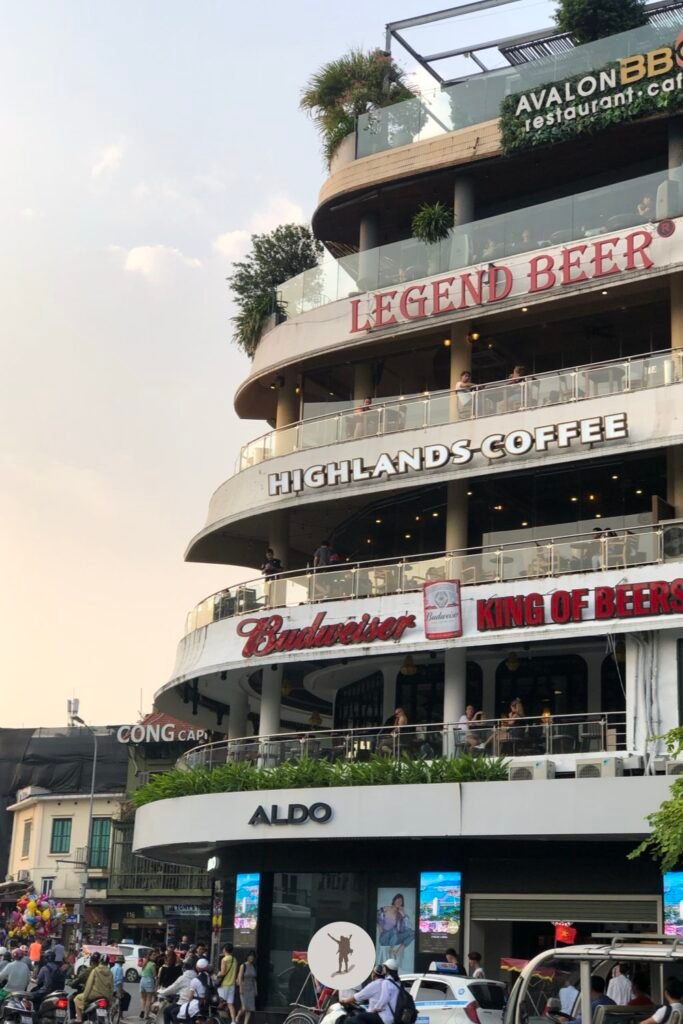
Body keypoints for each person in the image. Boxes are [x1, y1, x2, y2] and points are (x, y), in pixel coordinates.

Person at [340, 957, 401, 1024]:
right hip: (394, 1016)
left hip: (384, 1017)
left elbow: (384, 998)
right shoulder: (397, 983)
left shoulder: (384, 983)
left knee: (350, 1021)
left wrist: (376, 1008)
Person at [74, 953, 113, 1023]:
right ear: (108, 962)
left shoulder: (95, 970)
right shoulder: (110, 973)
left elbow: (89, 985)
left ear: (100, 961)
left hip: (94, 995)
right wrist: (110, 1001)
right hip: (105, 997)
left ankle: (79, 1018)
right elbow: (111, 988)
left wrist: (85, 999)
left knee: (77, 999)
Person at [158, 955, 197, 1024]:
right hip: (195, 1004)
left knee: (167, 1011)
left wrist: (161, 992)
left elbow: (172, 988)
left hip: (184, 1003)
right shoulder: (197, 976)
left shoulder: (184, 978)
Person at [377, 894, 414, 966]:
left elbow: (408, 927)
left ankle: (398, 951)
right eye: (398, 900)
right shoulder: (385, 909)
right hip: (384, 938)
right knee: (394, 930)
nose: (399, 902)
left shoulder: (400, 915)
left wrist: (403, 913)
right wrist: (381, 931)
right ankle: (391, 951)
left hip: (394, 938)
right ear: (394, 901)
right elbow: (377, 920)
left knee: (412, 932)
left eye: (401, 901)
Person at [177, 958, 211, 1023]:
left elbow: (190, 997)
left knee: (178, 1012)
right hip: (209, 1003)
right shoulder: (211, 978)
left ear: (197, 968)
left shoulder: (195, 980)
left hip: (198, 1004)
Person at [217, 943, 238, 1022]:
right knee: (230, 1004)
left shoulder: (224, 959)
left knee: (221, 1003)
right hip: (232, 984)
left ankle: (222, 1020)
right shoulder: (234, 959)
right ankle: (233, 1021)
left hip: (224, 984)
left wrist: (217, 975)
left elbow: (222, 973)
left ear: (225, 950)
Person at [236, 950, 257, 1024]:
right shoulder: (243, 966)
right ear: (247, 957)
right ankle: (237, 1017)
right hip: (244, 988)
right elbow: (239, 977)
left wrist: (255, 990)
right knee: (244, 1007)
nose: (252, 958)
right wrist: (241, 988)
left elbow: (254, 980)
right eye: (250, 956)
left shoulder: (253, 966)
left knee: (249, 1009)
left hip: (251, 989)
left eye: (253, 957)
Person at [112, 954, 131, 1021]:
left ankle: (118, 1012)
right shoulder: (120, 969)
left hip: (111, 989)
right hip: (116, 989)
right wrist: (120, 991)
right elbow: (119, 982)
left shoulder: (112, 968)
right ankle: (121, 1014)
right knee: (127, 997)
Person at [140, 951, 158, 1019]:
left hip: (142, 980)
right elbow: (154, 975)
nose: (155, 956)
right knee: (148, 999)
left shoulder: (145, 963)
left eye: (155, 955)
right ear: (150, 956)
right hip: (149, 981)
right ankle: (146, 1015)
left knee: (142, 997)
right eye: (153, 955)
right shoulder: (153, 964)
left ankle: (142, 1011)